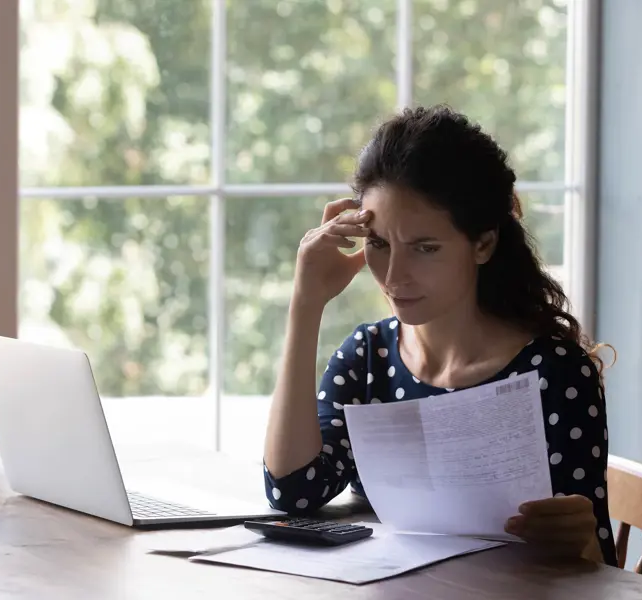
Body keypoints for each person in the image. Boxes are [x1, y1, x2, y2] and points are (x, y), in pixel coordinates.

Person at [262, 105, 617, 566]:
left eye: (425, 248)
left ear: (483, 244)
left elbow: (598, 564)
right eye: (378, 244)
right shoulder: (367, 358)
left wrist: (579, 537)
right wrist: (305, 304)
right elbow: (292, 491)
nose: (394, 276)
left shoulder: (555, 372)